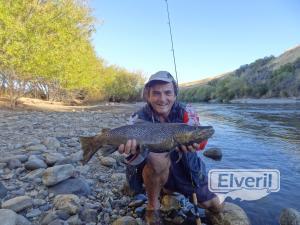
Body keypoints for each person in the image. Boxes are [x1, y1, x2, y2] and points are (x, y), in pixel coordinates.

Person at [118, 71, 223, 224]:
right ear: (148, 95)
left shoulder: (187, 111)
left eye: (168, 93)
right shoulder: (137, 118)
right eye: (156, 93)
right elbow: (132, 159)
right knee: (158, 159)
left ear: (175, 95)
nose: (162, 99)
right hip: (152, 169)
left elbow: (201, 140)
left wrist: (194, 145)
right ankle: (153, 205)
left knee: (216, 206)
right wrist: (130, 150)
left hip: (186, 168)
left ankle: (168, 188)